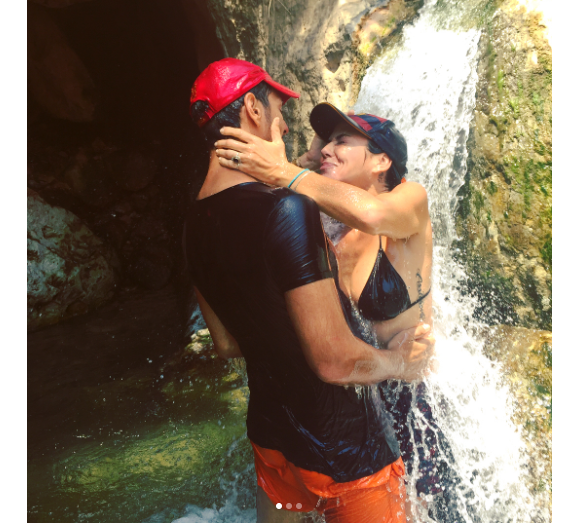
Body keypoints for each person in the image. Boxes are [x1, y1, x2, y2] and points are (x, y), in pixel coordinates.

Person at [184, 58, 436, 523]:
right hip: (352, 399)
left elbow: (374, 215)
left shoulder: (409, 200)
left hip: (405, 395)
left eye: (343, 140)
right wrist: (305, 165)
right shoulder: (314, 220)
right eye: (324, 142)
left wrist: (285, 173)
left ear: (381, 160)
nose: (325, 149)